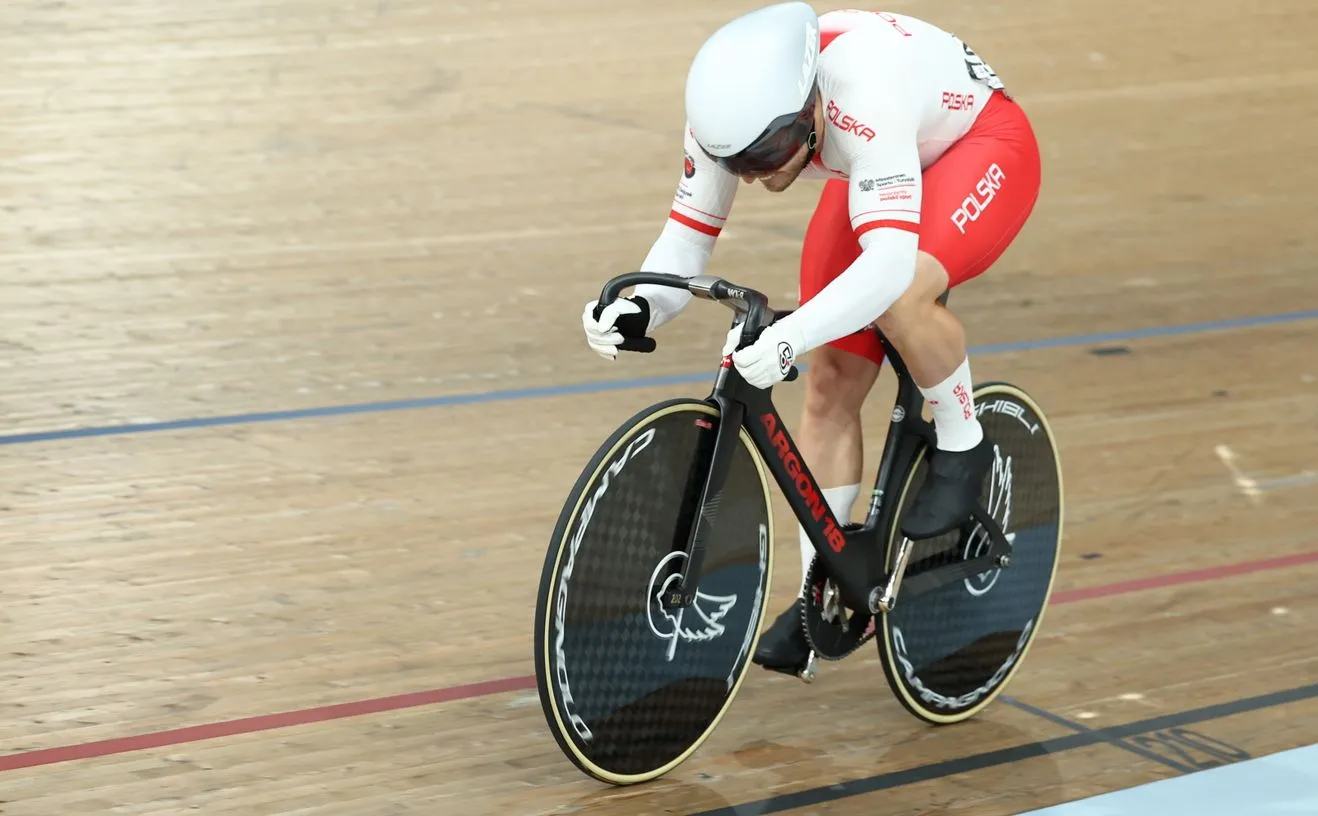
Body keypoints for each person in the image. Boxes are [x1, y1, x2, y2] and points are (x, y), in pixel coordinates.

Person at [580, 2, 1042, 674]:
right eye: (739, 164)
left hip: (978, 146)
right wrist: (639, 309)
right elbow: (686, 242)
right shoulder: (727, 118)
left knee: (904, 295)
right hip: (876, 163)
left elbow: (885, 268)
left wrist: (790, 337)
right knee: (827, 385)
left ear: (809, 106)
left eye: (770, 153)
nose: (761, 175)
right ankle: (819, 600)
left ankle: (963, 447)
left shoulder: (862, 90)